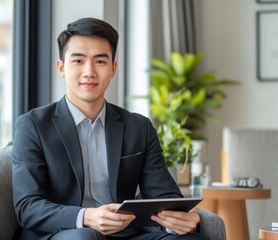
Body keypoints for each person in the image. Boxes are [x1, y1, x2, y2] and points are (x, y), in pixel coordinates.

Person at [12, 17, 202, 240]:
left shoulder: (138, 127)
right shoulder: (32, 125)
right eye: (78, 61)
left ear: (113, 68)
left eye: (100, 62)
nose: (89, 72)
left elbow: (163, 195)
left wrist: (180, 219)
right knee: (85, 238)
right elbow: (27, 206)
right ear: (61, 68)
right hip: (60, 234)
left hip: (124, 235)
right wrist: (87, 216)